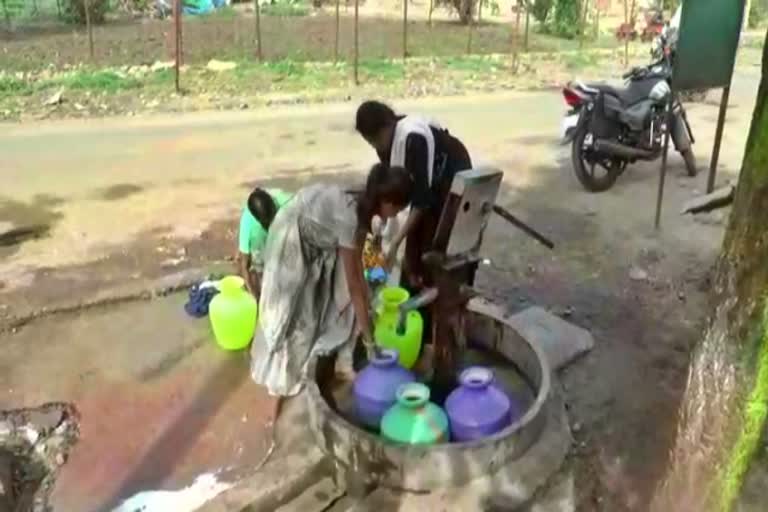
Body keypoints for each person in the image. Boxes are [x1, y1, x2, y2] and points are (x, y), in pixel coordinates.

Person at [250, 164, 413, 397]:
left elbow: (360, 275)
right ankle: (281, 377)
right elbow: (355, 283)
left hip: (320, 241)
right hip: (291, 234)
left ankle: (336, 362)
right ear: (386, 201)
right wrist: (369, 343)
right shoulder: (350, 216)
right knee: (288, 312)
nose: (396, 215)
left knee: (328, 304)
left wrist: (367, 301)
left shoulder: (365, 206)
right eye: (397, 209)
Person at [355, 100, 472, 288]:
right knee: (407, 243)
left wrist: (394, 244)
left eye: (375, 140)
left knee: (427, 239)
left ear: (387, 126)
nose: (375, 146)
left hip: (449, 174)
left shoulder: (413, 139)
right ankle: (409, 279)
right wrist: (380, 234)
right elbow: (389, 192)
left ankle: (428, 287)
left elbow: (421, 201)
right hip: (424, 183)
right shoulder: (384, 145)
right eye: (370, 142)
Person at [237, 187, 293, 299]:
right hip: (260, 240)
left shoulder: (286, 201)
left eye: (273, 217)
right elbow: (244, 266)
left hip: (285, 228)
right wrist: (253, 296)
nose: (271, 223)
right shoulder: (248, 226)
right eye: (267, 222)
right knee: (260, 267)